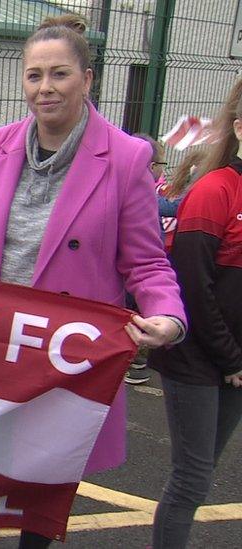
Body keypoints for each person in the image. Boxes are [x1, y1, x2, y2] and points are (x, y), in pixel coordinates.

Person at [0, 14, 186, 549]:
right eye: (33, 76)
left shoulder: (125, 158)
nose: (45, 89)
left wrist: (169, 316)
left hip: (68, 350)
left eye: (59, 74)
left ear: (87, 79)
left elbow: (145, 263)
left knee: (46, 477)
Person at [149, 78, 242, 549]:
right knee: (190, 478)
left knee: (202, 476)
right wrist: (232, 360)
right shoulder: (215, 191)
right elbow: (192, 288)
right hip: (198, 357)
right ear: (240, 129)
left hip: (234, 363)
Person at [123, 134, 168, 385]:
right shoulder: (149, 197)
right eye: (162, 165)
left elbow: (149, 262)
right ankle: (132, 361)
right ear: (152, 167)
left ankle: (134, 361)